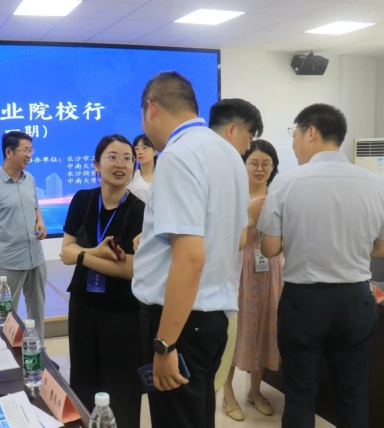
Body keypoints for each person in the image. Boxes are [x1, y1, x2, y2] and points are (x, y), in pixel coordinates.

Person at [132, 71, 249, 428]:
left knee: (178, 420)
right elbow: (230, 237)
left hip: (180, 321)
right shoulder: (228, 153)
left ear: (152, 108)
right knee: (197, 416)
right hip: (211, 319)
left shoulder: (178, 155)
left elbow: (191, 257)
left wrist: (165, 344)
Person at [258, 103, 384, 428]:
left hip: (304, 302)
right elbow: (382, 248)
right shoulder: (376, 184)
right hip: (356, 300)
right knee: (353, 393)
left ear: (311, 132)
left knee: (300, 395)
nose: (294, 144)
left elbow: (269, 249)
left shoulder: (286, 183)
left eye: (295, 134)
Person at [60, 134, 145, 427]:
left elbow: (130, 269)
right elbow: (64, 251)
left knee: (121, 387)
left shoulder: (138, 210)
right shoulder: (82, 200)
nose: (120, 164)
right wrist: (98, 253)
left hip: (123, 312)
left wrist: (83, 255)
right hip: (83, 306)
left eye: (127, 158)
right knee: (83, 380)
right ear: (96, 164)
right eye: (112, 157)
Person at [206, 98, 265, 404]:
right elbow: (237, 240)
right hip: (213, 295)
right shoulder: (229, 172)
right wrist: (250, 218)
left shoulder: (201, 163)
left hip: (212, 292)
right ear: (231, 130)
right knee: (208, 382)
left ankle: (246, 392)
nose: (247, 147)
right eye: (248, 137)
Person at [221, 139, 283, 421]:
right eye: (254, 163)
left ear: (273, 167)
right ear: (243, 165)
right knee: (236, 332)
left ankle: (255, 391)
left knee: (265, 330)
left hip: (270, 270)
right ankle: (227, 392)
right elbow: (223, 237)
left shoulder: (278, 195)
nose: (260, 169)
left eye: (266, 164)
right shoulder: (233, 195)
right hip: (239, 270)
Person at [0, 131, 47, 342]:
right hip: (8, 262)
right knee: (6, 315)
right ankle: (7, 354)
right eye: (25, 150)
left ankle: (39, 351)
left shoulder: (29, 179)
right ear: (9, 152)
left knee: (37, 311)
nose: (29, 155)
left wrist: (40, 220)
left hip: (35, 257)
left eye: (31, 150)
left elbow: (35, 206)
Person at [127, 134, 157, 203]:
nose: (140, 152)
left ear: (154, 151)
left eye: (145, 148)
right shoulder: (129, 178)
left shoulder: (163, 176)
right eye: (136, 149)